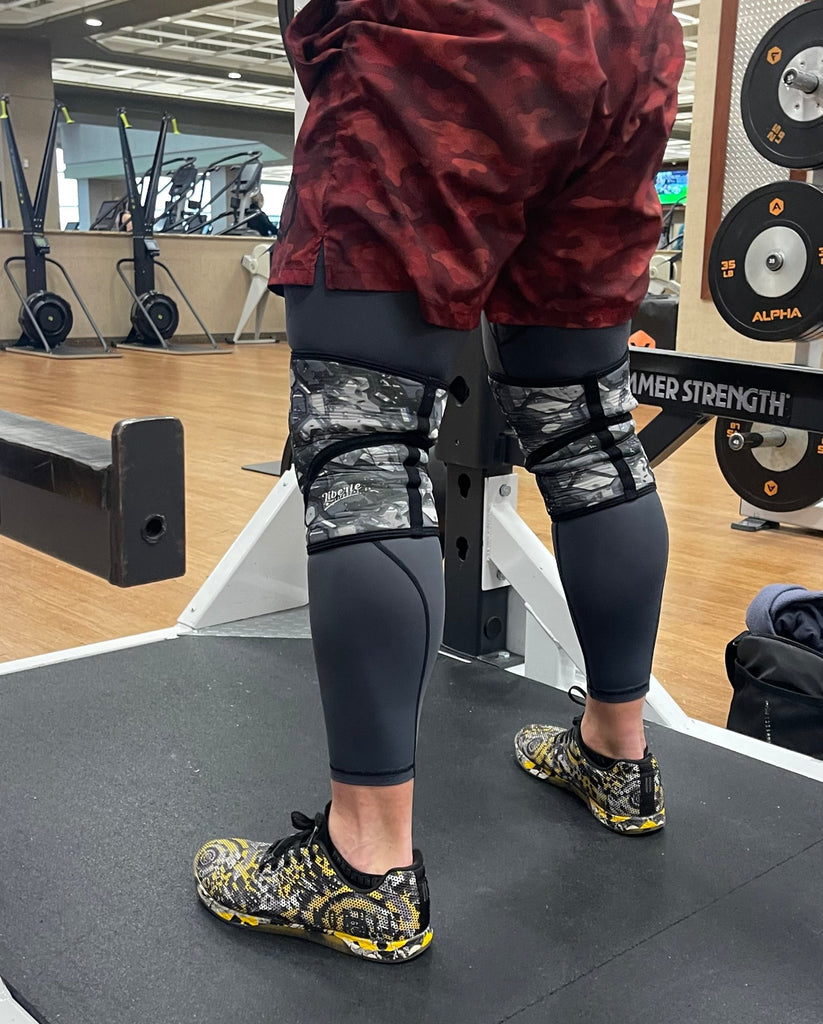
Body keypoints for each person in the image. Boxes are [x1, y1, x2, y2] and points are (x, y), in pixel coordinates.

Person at [192, 0, 684, 963]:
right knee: (590, 429)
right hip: (625, 37)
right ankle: (616, 757)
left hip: (444, 32)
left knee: (366, 445)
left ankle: (364, 870)